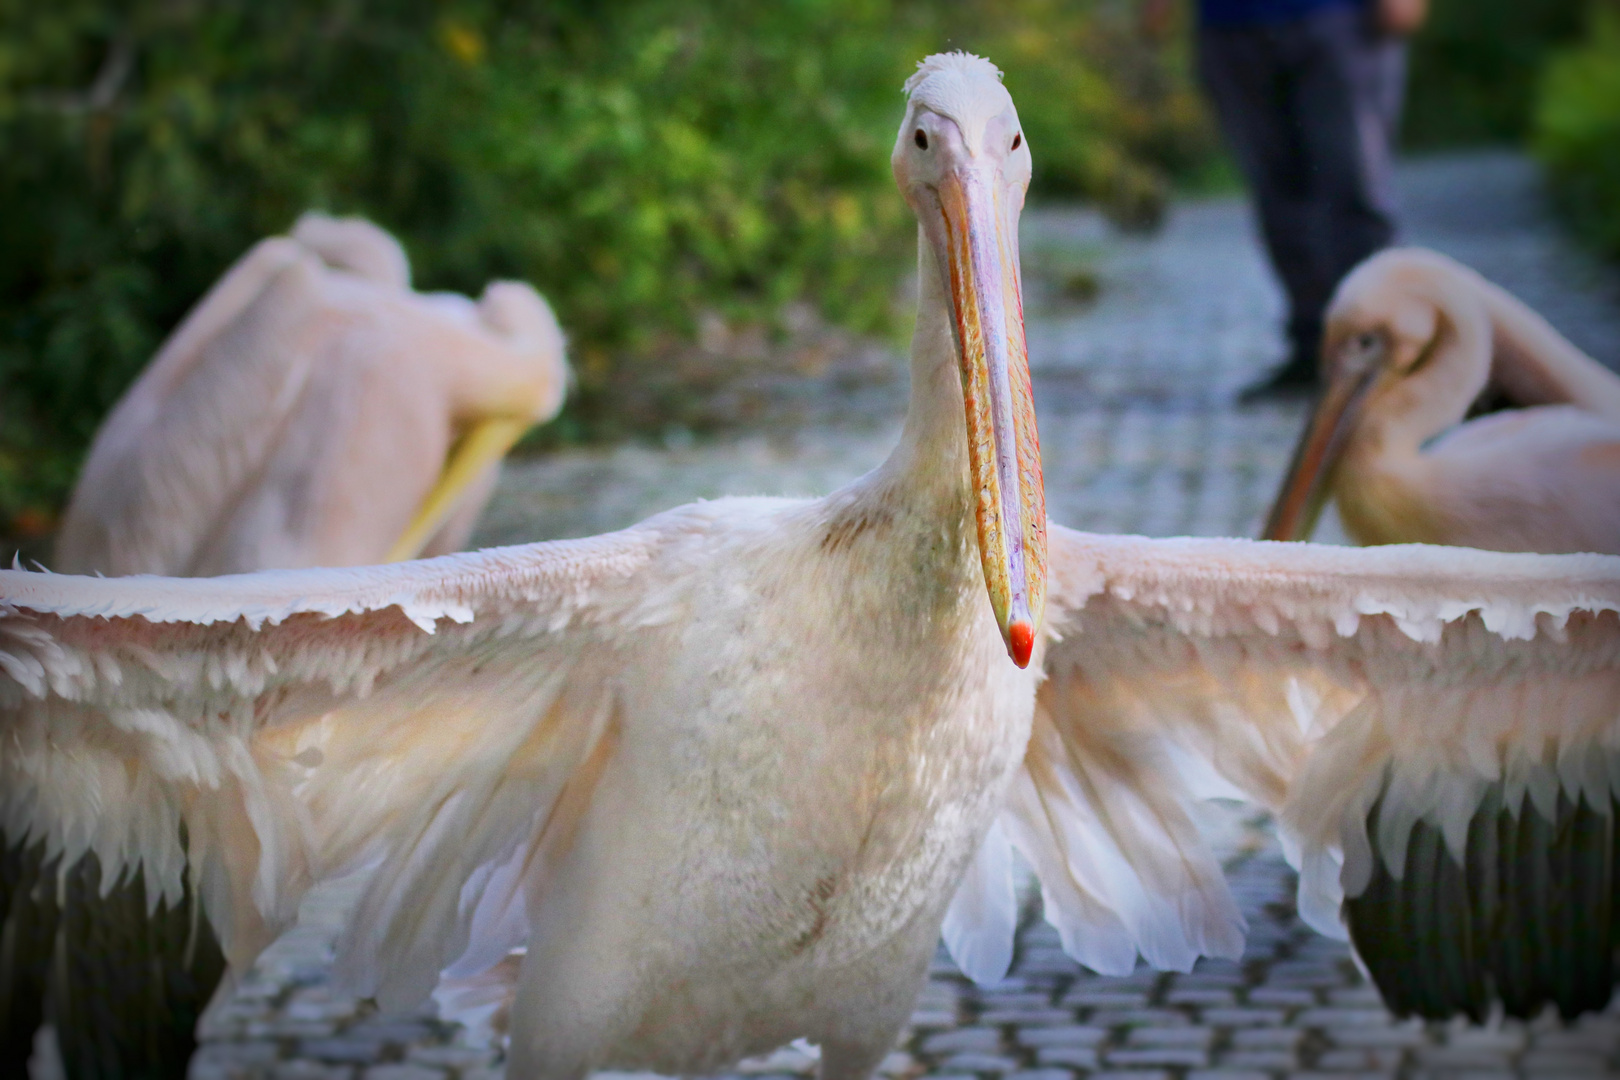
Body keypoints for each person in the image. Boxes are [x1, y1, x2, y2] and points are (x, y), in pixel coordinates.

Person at [1145, 0, 1426, 398]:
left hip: (1340, 18)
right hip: (1231, 25)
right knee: (1278, 197)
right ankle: (1315, 349)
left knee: (1356, 188)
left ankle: (1383, 349)